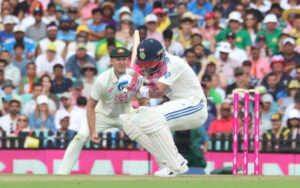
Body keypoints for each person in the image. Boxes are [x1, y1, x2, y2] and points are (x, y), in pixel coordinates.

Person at [117, 38, 208, 177]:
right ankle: (167, 163)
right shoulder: (148, 67)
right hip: (176, 107)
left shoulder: (173, 63)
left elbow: (158, 92)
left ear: (160, 56)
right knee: (133, 123)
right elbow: (143, 103)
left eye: (149, 62)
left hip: (195, 106)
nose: (146, 66)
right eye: (144, 63)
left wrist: (134, 87)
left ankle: (176, 166)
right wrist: (134, 85)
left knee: (152, 117)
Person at [58, 47, 151, 175]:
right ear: (111, 61)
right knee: (79, 138)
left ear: (128, 61)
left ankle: (166, 167)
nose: (122, 62)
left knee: (151, 136)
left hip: (126, 115)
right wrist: (93, 131)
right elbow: (90, 107)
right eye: (118, 60)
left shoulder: (136, 77)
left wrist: (143, 124)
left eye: (124, 59)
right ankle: (62, 174)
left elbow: (142, 103)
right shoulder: (102, 80)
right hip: (102, 115)